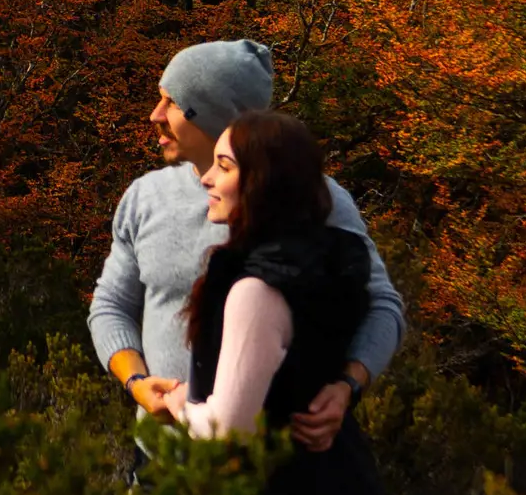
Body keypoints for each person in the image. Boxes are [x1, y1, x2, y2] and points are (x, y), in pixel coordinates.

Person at [89, 38, 401, 450]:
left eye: (173, 103)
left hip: (271, 483)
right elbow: (111, 305)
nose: (155, 115)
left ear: (220, 117)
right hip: (159, 474)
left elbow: (383, 305)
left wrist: (348, 386)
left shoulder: (313, 198)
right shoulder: (145, 199)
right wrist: (137, 383)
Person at [165, 111, 392, 495]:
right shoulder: (324, 263)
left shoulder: (258, 289)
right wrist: (349, 384)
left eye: (225, 167)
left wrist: (179, 404)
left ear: (263, 182)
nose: (207, 179)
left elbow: (228, 431)